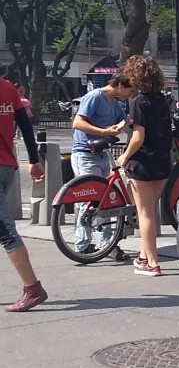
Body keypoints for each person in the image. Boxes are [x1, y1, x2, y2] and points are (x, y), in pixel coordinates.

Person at [118, 56, 173, 277]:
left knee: (145, 214)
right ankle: (143, 257)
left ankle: (152, 263)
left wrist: (124, 156)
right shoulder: (163, 100)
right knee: (150, 212)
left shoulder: (139, 101)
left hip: (143, 161)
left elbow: (138, 137)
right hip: (162, 159)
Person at [71, 70, 134, 260]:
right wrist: (102, 131)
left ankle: (106, 243)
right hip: (85, 153)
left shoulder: (114, 103)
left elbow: (125, 123)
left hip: (101, 154)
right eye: (129, 91)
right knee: (89, 200)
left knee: (104, 200)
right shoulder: (94, 97)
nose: (130, 95)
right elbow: (78, 122)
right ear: (120, 85)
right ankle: (84, 244)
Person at [1, 77, 47, 311]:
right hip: (7, 166)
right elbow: (26, 126)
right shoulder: (7, 87)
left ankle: (32, 288)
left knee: (6, 232)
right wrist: (33, 160)